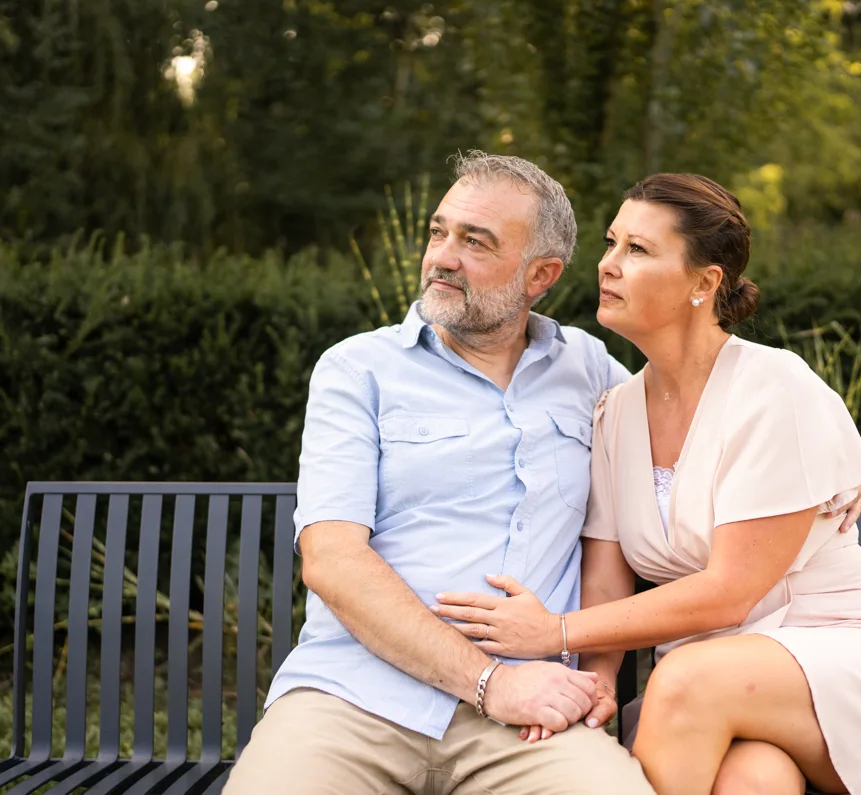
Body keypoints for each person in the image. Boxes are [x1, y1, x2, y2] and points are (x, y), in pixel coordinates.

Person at [430, 173, 861, 795]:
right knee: (755, 782)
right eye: (611, 243)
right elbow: (607, 578)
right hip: (709, 684)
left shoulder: (774, 389)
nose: (608, 265)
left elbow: (729, 595)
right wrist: (597, 681)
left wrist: (553, 632)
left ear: (703, 283)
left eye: (638, 250)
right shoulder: (615, 411)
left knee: (689, 680)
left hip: (834, 660)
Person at [222, 151, 658, 795]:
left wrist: (597, 672)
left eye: (475, 241)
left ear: (540, 274)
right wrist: (490, 682)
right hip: (353, 699)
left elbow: (685, 452)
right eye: (438, 232)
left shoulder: (590, 369)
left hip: (532, 721)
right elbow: (332, 559)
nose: (442, 257)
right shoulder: (357, 370)